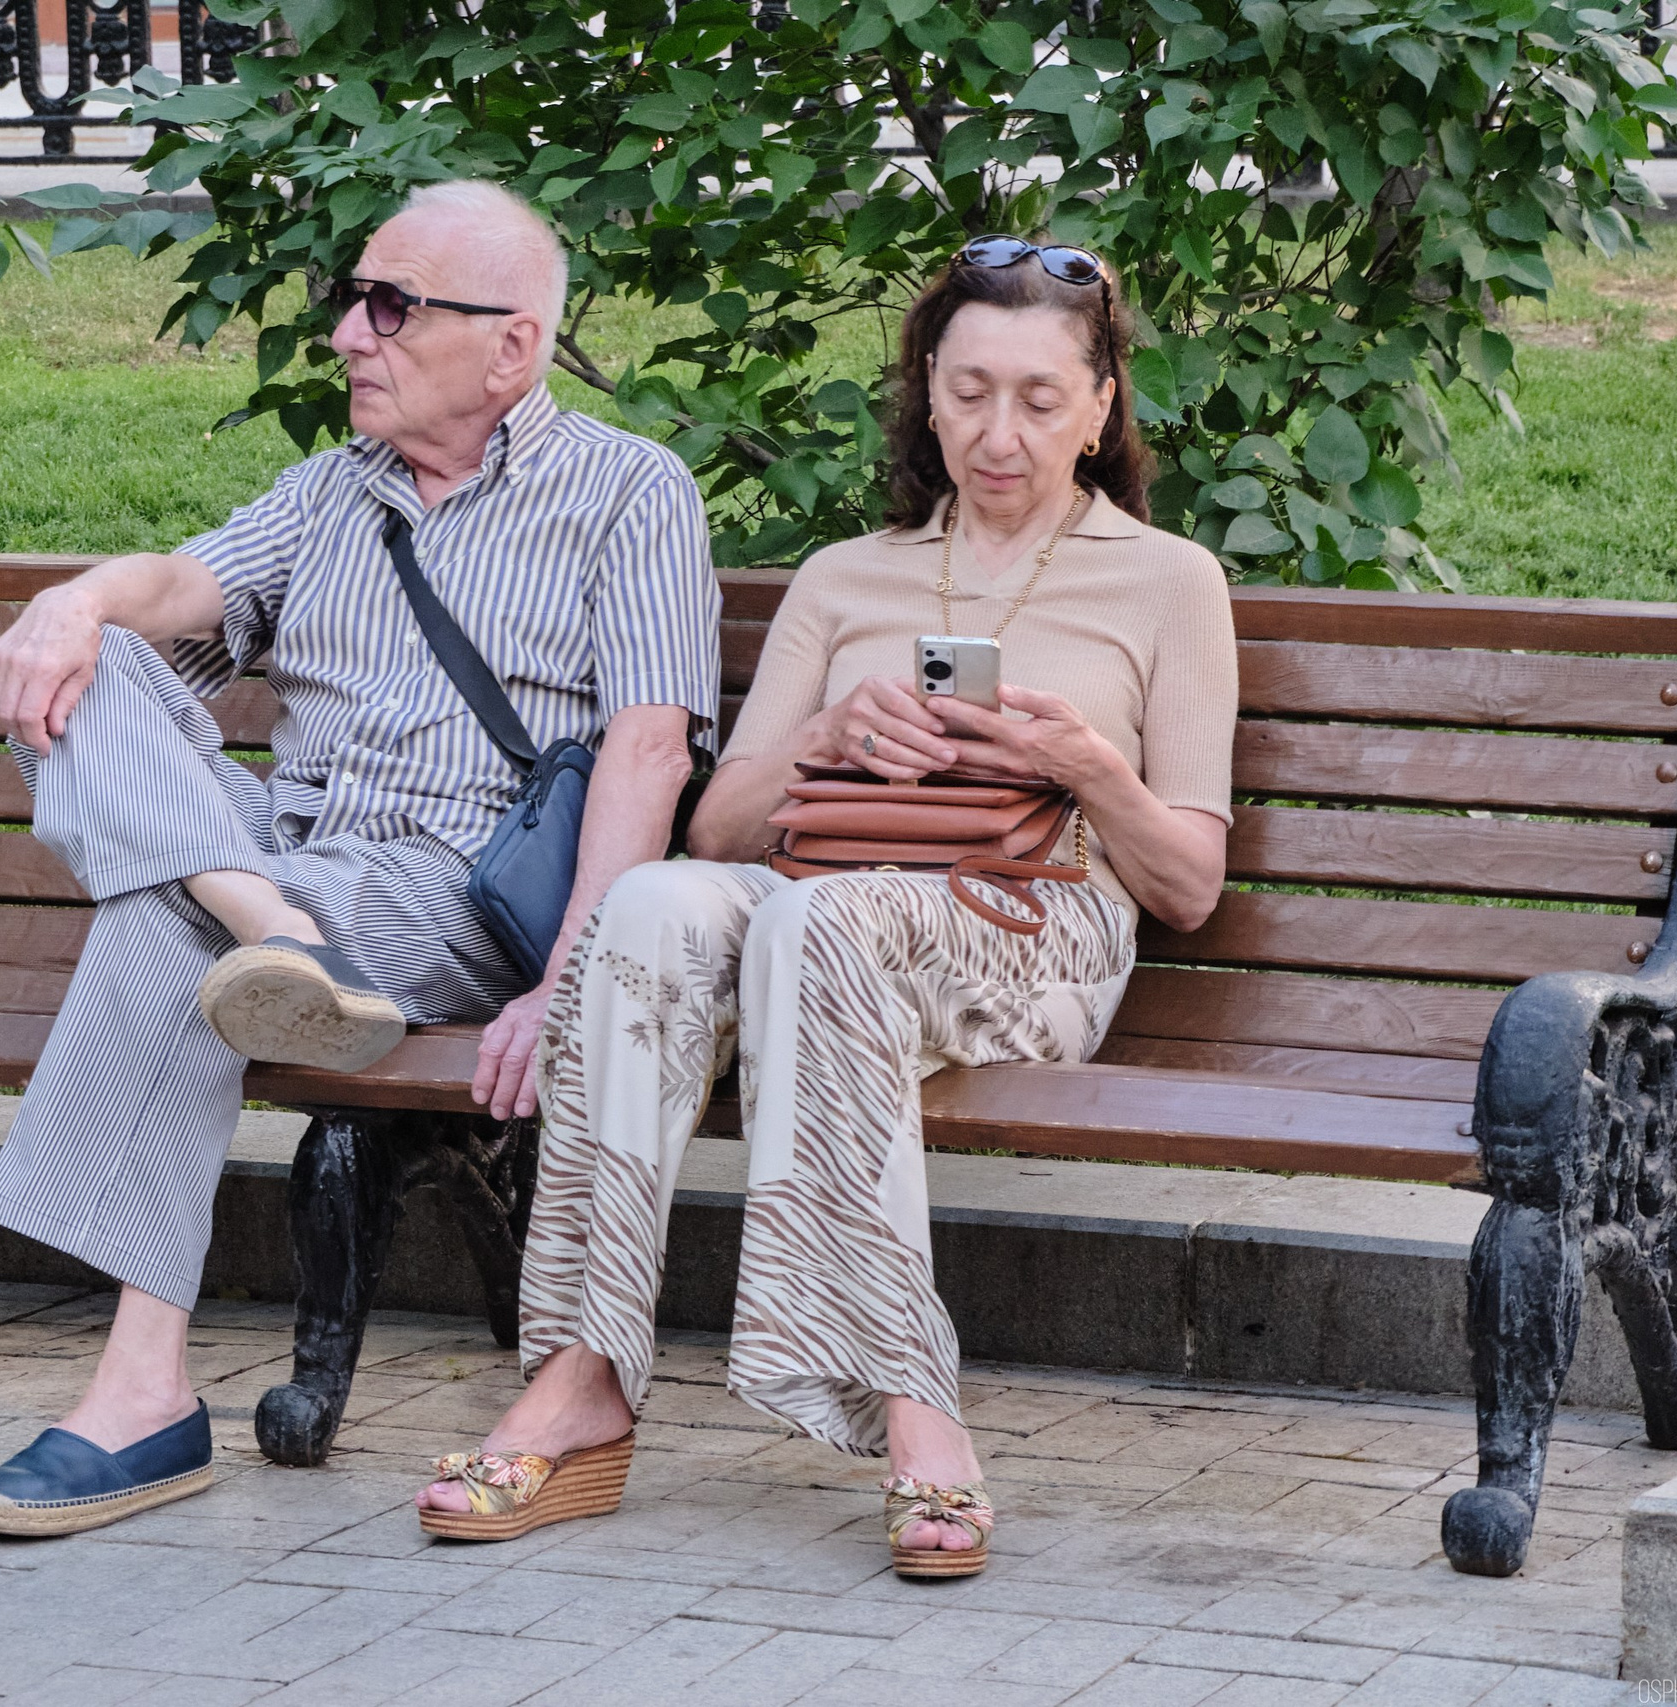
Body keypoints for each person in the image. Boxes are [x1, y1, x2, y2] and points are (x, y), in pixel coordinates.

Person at [415, 237, 1239, 1578]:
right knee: (653, 909)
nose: (999, 432)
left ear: (1101, 409)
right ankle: (579, 1375)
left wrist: (1088, 765)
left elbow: (1187, 884)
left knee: (823, 924)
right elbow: (722, 828)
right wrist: (827, 741)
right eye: (967, 392)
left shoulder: (1166, 582)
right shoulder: (848, 576)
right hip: (825, 926)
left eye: (1040, 399)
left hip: (1032, 937)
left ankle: (918, 1411)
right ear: (926, 393)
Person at [0, 180, 723, 1537]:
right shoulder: (329, 493)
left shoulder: (628, 493)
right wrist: (70, 606)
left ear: (512, 345)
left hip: (451, 890)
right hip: (290, 856)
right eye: (350, 304)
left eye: (390, 307)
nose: (347, 338)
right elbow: (180, 593)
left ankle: (141, 1394)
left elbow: (648, 756)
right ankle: (266, 927)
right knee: (89, 674)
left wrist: (571, 979)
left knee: (154, 919)